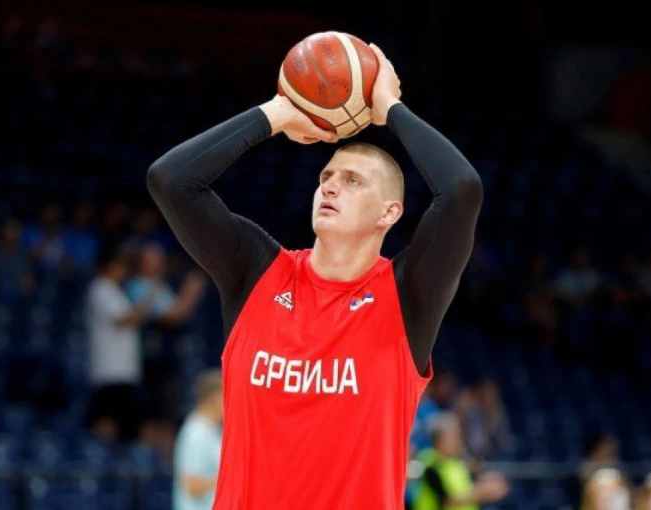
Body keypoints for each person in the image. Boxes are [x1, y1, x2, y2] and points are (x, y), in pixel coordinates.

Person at [147, 43, 484, 509]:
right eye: (326, 176)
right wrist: (280, 112)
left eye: (352, 180)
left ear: (389, 213)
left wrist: (389, 106)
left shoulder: (408, 295)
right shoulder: (257, 271)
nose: (330, 186)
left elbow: (462, 190)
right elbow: (171, 180)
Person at [85, 244, 152, 442]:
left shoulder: (116, 290)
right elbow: (124, 319)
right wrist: (151, 298)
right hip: (109, 370)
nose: (123, 270)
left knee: (124, 424)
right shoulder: (100, 288)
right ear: (108, 266)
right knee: (107, 422)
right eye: (119, 265)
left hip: (124, 370)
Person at [413, 413, 509, 510]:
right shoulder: (430, 464)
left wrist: (488, 485)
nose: (459, 441)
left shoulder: (456, 463)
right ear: (439, 440)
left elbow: (467, 489)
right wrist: (481, 492)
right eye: (454, 437)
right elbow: (446, 500)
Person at [172, 369, 223, 510]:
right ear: (214, 397)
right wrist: (228, 481)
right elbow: (191, 485)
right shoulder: (195, 432)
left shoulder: (213, 431)